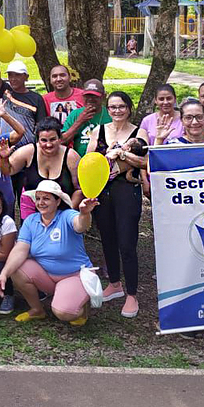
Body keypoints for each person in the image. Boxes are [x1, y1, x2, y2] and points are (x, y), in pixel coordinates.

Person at [0, 180, 99, 325]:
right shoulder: (31, 221)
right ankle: (37, 310)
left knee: (64, 313)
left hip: (74, 275)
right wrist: (4, 274)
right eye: (38, 198)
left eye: (46, 198)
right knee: (16, 268)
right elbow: (20, 249)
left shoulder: (67, 215)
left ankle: (81, 305)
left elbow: (80, 225)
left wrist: (84, 213)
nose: (40, 202)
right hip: (47, 276)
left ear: (57, 201)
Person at [86, 91, 148, 318]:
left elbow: (144, 161)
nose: (117, 111)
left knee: (127, 242)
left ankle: (132, 294)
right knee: (108, 239)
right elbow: (90, 161)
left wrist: (122, 154)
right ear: (107, 109)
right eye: (112, 107)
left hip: (126, 190)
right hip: (103, 190)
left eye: (121, 106)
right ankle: (114, 283)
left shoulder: (138, 132)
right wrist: (107, 156)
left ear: (129, 108)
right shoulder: (99, 131)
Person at [3, 116, 82, 217]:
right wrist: (3, 158)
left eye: (52, 139)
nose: (48, 145)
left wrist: (67, 216)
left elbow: (79, 189)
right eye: (44, 140)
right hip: (32, 210)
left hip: (62, 211)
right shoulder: (28, 151)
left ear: (60, 138)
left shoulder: (71, 156)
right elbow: (8, 170)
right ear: (38, 140)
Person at [0, 27, 48, 146]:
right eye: (10, 75)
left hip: (28, 148)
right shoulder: (5, 91)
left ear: (26, 77)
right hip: (5, 146)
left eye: (17, 75)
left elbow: (41, 126)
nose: (13, 78)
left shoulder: (36, 98)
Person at [60, 79, 111, 155]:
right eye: (87, 96)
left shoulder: (110, 114)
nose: (90, 99)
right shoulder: (75, 114)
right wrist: (80, 121)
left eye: (94, 96)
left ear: (103, 96)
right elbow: (62, 142)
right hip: (79, 160)